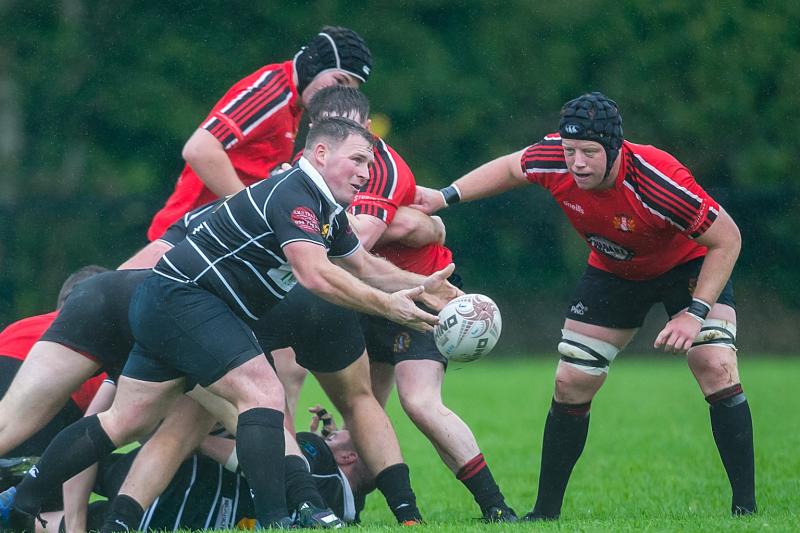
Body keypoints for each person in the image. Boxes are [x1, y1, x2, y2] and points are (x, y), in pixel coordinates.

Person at [6, 117, 458, 527]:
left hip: (172, 301)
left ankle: (20, 501)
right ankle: (276, 519)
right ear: (320, 153)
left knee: (125, 421)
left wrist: (425, 286)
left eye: (370, 164)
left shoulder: (326, 210)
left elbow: (363, 265)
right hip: (184, 300)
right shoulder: (294, 194)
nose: (365, 173)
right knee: (262, 393)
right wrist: (388, 306)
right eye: (357, 160)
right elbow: (315, 274)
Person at [412, 92, 754, 518]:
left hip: (688, 265)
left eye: (589, 152)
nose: (577, 163)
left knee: (714, 364)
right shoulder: (555, 158)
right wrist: (444, 197)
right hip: (615, 268)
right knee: (571, 381)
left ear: (615, 148)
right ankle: (545, 515)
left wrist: (696, 312)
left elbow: (728, 239)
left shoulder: (657, 181)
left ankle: (746, 511)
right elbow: (511, 167)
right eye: (570, 150)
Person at [307, 86, 516, 521]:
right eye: (329, 128)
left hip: (423, 292)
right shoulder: (311, 165)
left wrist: (418, 227)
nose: (345, 141)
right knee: (360, 410)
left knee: (419, 402)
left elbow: (355, 247)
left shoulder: (378, 170)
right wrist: (412, 224)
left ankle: (496, 507)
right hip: (369, 299)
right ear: (316, 133)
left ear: (368, 130)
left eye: (352, 130)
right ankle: (350, 504)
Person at [143, 26, 372, 245]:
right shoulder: (271, 93)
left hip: (207, 237)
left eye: (348, 90)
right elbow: (200, 150)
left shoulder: (292, 104)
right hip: (183, 236)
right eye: (338, 81)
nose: (338, 94)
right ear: (313, 66)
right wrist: (251, 212)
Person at [2, 411, 373, 532]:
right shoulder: (344, 510)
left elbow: (259, 457)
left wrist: (187, 436)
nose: (338, 429)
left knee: (94, 460)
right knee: (85, 518)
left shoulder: (317, 464)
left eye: (344, 433)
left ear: (348, 456)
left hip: (179, 480)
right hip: (179, 516)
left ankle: (21, 483)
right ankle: (16, 511)